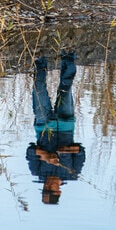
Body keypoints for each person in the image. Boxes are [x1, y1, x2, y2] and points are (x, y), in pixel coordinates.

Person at [25, 49, 85, 205]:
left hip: (43, 124)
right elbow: (80, 151)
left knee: (38, 89)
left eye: (45, 189)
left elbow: (30, 151)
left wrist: (45, 156)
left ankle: (40, 59)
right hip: (66, 124)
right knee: (66, 88)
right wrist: (66, 150)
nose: (46, 186)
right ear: (58, 191)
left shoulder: (37, 171)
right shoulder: (72, 173)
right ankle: (68, 56)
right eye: (49, 189)